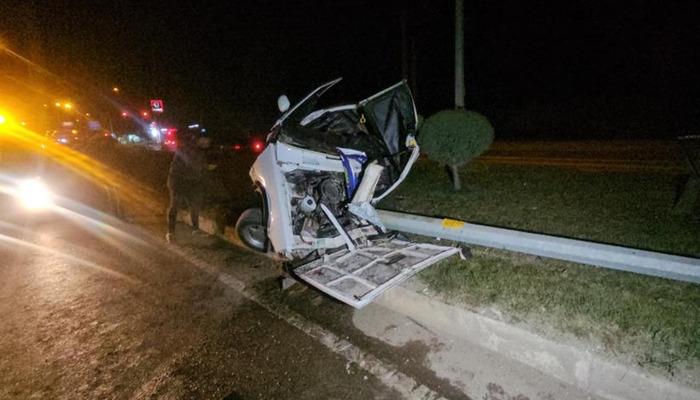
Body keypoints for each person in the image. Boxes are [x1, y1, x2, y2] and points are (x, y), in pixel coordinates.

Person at [166, 132, 213, 243]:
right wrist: (206, 167)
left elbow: (198, 167)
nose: (209, 143)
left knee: (195, 205)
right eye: (207, 140)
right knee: (175, 204)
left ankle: (195, 230)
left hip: (191, 181)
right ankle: (170, 232)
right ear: (201, 139)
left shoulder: (200, 150)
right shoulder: (188, 147)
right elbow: (192, 163)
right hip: (178, 180)